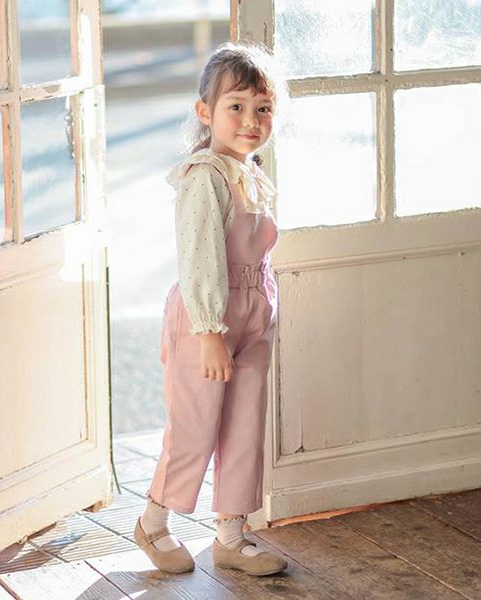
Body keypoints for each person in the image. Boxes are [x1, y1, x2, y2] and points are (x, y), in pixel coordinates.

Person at [134, 40, 290, 576]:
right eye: (236, 106)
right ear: (206, 112)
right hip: (209, 319)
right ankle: (153, 521)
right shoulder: (205, 177)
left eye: (263, 109)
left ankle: (231, 535)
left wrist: (262, 313)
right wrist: (208, 332)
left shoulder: (252, 172)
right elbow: (200, 257)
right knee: (195, 426)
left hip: (253, 316)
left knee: (245, 423)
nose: (250, 120)